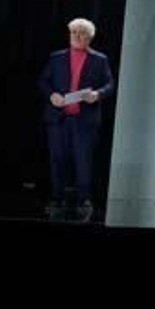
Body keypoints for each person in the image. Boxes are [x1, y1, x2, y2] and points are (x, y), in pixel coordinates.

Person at [39, 17, 115, 221]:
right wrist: (51, 95)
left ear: (89, 37)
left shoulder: (100, 59)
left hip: (84, 120)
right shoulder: (56, 57)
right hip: (58, 118)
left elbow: (109, 84)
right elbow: (44, 81)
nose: (76, 36)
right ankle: (57, 198)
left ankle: (84, 200)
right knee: (57, 160)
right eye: (73, 32)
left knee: (83, 161)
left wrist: (97, 94)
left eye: (80, 32)